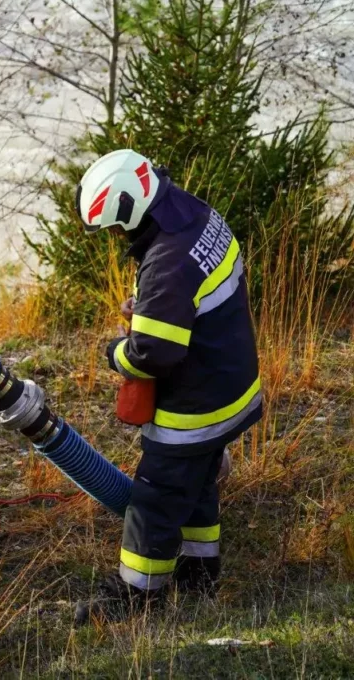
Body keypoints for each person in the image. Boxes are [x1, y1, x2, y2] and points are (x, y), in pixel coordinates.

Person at [73, 149, 262, 623]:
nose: (116, 238)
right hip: (231, 383)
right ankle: (200, 576)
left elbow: (152, 355)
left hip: (195, 406)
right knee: (197, 484)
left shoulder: (167, 262)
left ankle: (137, 595)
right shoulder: (193, 212)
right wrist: (158, 309)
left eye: (115, 228)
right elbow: (192, 294)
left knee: (155, 497)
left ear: (131, 211)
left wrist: (113, 351)